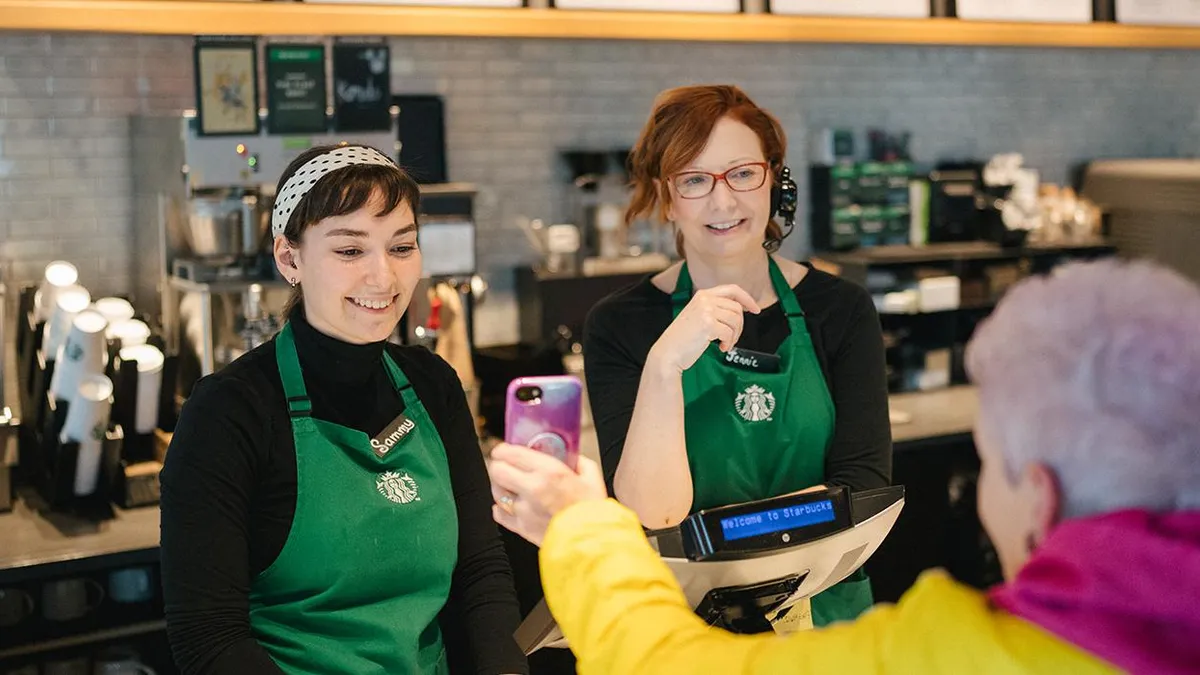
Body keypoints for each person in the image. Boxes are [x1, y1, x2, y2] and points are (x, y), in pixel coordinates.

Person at [489, 257, 1200, 675]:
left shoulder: (954, 655)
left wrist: (582, 525)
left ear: (1039, 500)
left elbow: (666, 662)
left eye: (991, 465)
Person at [160, 144, 528, 675]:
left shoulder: (433, 384)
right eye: (350, 251)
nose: (384, 278)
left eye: (402, 248)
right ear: (290, 258)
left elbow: (481, 571)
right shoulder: (229, 410)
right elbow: (208, 639)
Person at [581, 84, 891, 626]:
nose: (723, 202)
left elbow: (863, 493)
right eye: (695, 180)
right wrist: (665, 364)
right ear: (667, 196)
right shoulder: (621, 325)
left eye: (743, 173)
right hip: (689, 631)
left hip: (828, 625)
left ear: (774, 177)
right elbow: (652, 516)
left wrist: (720, 537)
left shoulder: (840, 309)